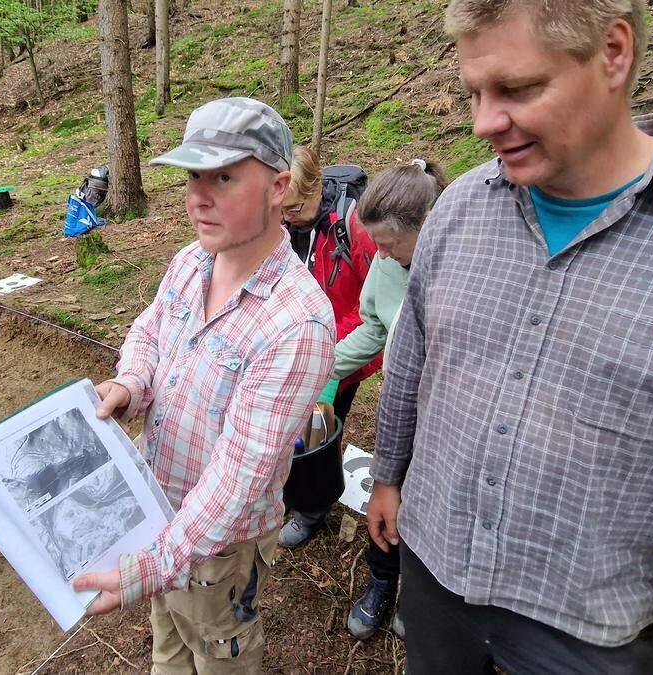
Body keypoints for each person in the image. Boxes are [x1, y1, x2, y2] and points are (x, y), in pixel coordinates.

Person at [369, 1, 653, 673]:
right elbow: (413, 358)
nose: (483, 123)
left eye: (517, 88)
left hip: (588, 634)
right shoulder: (460, 207)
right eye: (475, 92)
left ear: (614, 52)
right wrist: (388, 472)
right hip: (433, 579)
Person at [73, 96, 335, 673]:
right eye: (193, 175)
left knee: (219, 649)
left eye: (223, 177)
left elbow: (241, 477)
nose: (197, 197)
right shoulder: (193, 261)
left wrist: (149, 566)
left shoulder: (296, 322)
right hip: (158, 507)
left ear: (278, 186)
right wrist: (130, 382)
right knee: (168, 637)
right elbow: (150, 329)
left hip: (220, 549)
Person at [319, 159, 448, 641]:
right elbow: (374, 327)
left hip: (447, 418)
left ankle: (419, 598)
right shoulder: (388, 262)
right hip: (401, 412)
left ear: (427, 227)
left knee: (430, 508)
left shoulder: (459, 269)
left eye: (390, 245)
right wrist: (322, 368)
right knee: (386, 494)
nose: (384, 256)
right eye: (377, 245)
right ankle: (381, 582)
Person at [277, 145, 380, 549]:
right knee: (283, 421)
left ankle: (313, 509)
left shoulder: (352, 225)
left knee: (319, 426)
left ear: (318, 189)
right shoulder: (285, 223)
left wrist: (329, 351)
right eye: (280, 208)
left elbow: (374, 305)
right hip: (291, 348)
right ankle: (288, 490)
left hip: (341, 353)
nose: (287, 218)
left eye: (295, 208)